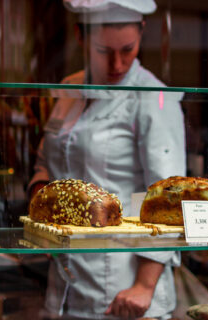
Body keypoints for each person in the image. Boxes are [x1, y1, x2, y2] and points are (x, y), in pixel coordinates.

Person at [28, 1, 186, 319]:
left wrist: (143, 285)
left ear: (142, 33)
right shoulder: (69, 90)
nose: (117, 63)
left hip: (124, 291)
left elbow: (168, 199)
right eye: (103, 50)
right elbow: (47, 160)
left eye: (128, 49)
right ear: (80, 37)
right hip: (64, 284)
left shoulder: (154, 97)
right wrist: (40, 203)